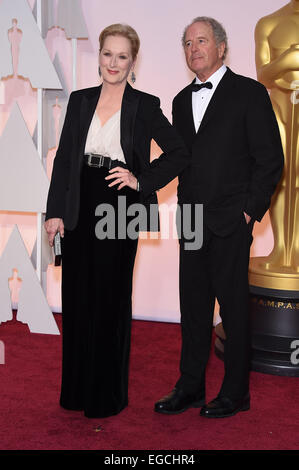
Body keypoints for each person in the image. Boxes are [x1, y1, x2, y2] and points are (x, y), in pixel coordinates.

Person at [118, 17, 284, 418]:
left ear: (221, 48)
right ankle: (190, 386)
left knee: (232, 311)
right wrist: (140, 179)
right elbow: (181, 159)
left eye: (202, 41)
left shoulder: (250, 92)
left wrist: (249, 212)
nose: (194, 49)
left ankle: (235, 393)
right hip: (191, 217)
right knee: (191, 309)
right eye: (188, 42)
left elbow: (271, 160)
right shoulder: (178, 100)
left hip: (231, 218)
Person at [44, 23, 189, 419]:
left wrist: (141, 179)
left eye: (122, 56)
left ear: (132, 61)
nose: (113, 62)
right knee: (76, 298)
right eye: (108, 54)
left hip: (120, 205)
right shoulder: (79, 100)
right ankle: (75, 391)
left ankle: (105, 396)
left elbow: (179, 152)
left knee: (109, 298)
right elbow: (64, 160)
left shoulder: (144, 105)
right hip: (78, 202)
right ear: (101, 57)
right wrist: (55, 211)